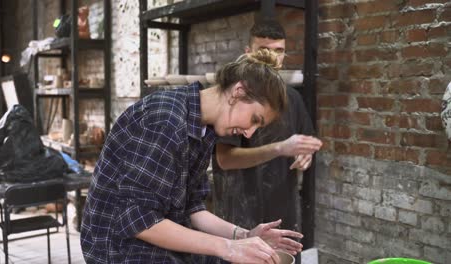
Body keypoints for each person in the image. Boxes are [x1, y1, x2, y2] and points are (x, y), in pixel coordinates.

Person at [81, 49, 307, 264]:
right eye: (255, 120)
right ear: (239, 92)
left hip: (152, 237)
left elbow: (192, 209)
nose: (249, 133)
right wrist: (228, 248)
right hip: (117, 248)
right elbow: (138, 221)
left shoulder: (203, 130)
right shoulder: (165, 119)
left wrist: (243, 236)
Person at [212, 20, 322, 233]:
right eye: (264, 50)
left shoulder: (293, 98)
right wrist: (279, 149)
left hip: (283, 207)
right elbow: (224, 159)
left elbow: (308, 143)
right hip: (239, 210)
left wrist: (305, 156)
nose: (273, 57)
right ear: (248, 52)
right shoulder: (235, 97)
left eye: (279, 51)